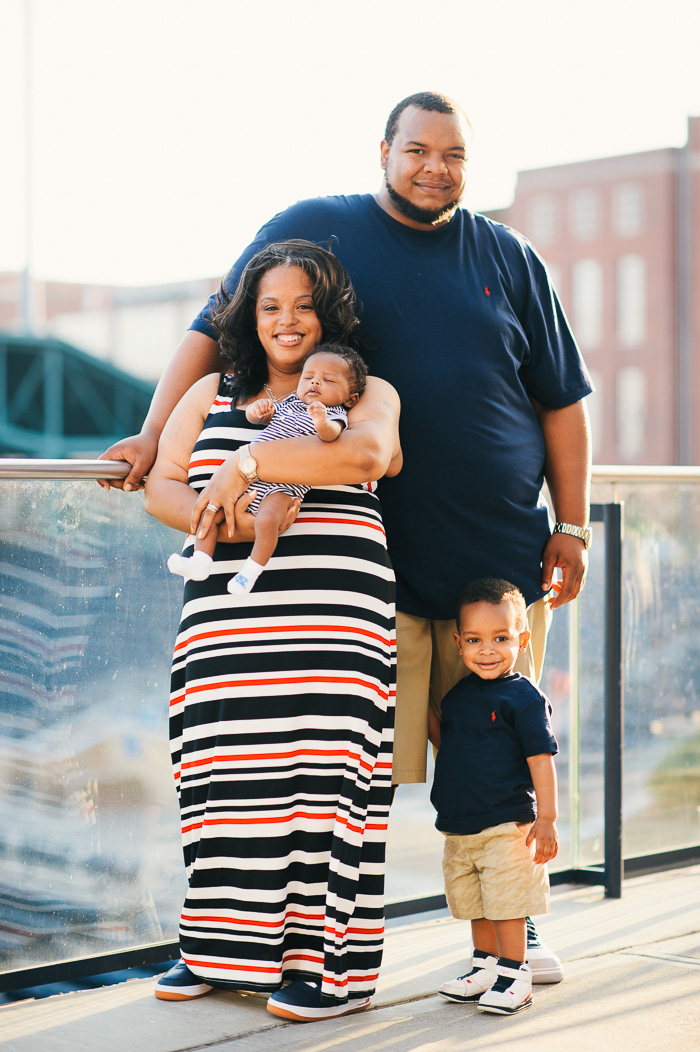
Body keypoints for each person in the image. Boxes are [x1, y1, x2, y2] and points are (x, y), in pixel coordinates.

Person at [101, 91, 592, 980]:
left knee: (501, 756)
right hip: (374, 570)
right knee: (354, 773)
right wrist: (149, 429)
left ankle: (517, 931)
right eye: (417, 150)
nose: (434, 167)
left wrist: (573, 523)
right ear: (384, 150)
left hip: (499, 562)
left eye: (453, 155)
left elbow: (561, 399)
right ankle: (261, 947)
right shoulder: (315, 229)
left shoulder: (509, 257)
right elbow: (214, 327)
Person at [143, 240, 401, 1022]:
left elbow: (372, 452)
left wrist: (250, 462)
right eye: (270, 306)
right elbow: (159, 482)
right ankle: (216, 950)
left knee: (324, 786)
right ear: (246, 317)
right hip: (226, 615)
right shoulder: (210, 391)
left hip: (334, 614)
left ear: (329, 315)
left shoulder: (362, 391)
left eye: (303, 306)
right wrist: (218, 520)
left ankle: (326, 975)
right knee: (222, 780)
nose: (287, 322)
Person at [429, 578, 558, 1015]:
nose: (488, 650)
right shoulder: (458, 696)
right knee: (476, 904)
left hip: (507, 825)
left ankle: (515, 974)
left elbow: (541, 759)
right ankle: (484, 967)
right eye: (475, 640)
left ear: (522, 640)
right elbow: (449, 745)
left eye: (501, 638)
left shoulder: (523, 697)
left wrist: (547, 819)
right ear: (458, 644)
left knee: (506, 904)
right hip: (460, 826)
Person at [166, 344, 368, 596]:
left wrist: (322, 422)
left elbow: (331, 435)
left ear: (350, 398)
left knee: (268, 520)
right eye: (308, 377)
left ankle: (251, 570)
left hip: (286, 483)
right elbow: (259, 420)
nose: (315, 383)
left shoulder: (335, 413)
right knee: (214, 512)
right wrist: (257, 412)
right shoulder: (291, 403)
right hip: (249, 479)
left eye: (327, 380)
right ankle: (200, 561)